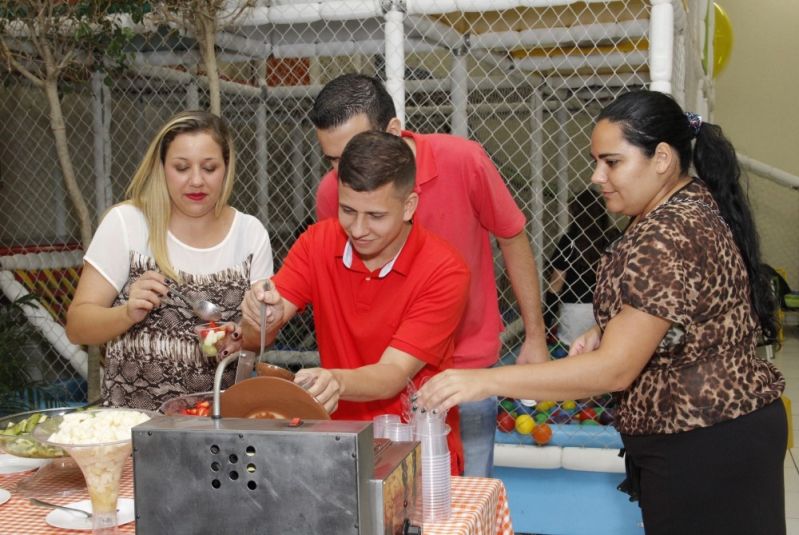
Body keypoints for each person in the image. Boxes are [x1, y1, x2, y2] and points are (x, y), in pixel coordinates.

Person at [416, 90, 786, 534]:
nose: (597, 176)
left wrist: (482, 380)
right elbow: (684, 306)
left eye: (611, 162)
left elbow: (615, 371)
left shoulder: (666, 232)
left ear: (662, 158)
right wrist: (607, 326)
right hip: (723, 433)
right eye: (597, 161)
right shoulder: (686, 206)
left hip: (705, 442)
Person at [310, 73, 549, 477]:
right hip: (377, 379)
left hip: (464, 370)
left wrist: (535, 335)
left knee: (465, 496)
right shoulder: (334, 193)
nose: (341, 171)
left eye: (351, 152)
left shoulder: (464, 160)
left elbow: (512, 237)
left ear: (392, 130)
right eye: (331, 160)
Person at [240, 131, 470, 475]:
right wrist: (262, 310)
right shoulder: (317, 243)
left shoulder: (444, 270)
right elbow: (269, 318)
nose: (358, 229)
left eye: (375, 216)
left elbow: (392, 374)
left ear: (409, 206)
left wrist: (337, 381)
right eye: (347, 210)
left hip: (419, 452)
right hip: (340, 447)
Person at [66, 110, 273, 411]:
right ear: (161, 167)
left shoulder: (250, 234)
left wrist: (244, 338)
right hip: (132, 427)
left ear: (227, 168)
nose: (196, 181)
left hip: (219, 426)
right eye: (181, 167)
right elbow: (77, 326)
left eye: (210, 168)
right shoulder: (127, 223)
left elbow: (262, 335)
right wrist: (126, 314)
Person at [546, 188, 618, 347]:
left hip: (574, 311)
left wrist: (547, 316)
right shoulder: (613, 238)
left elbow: (556, 282)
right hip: (606, 309)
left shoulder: (570, 241)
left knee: (573, 351)